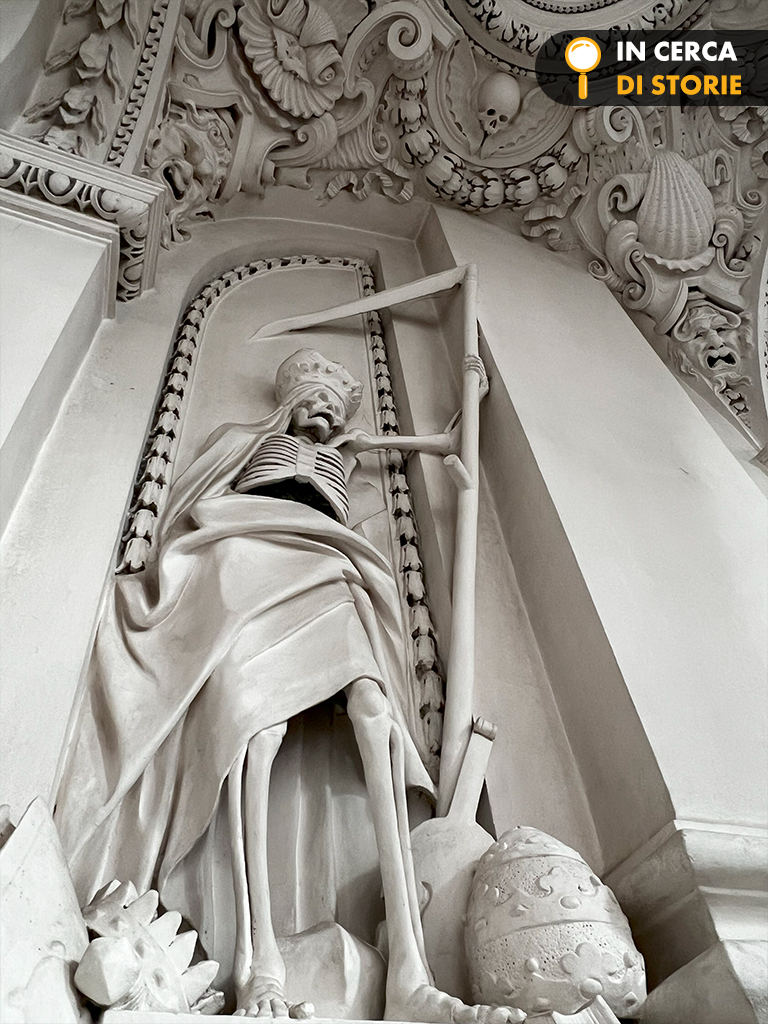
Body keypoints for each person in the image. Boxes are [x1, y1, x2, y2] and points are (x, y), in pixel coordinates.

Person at [55, 348, 521, 1022]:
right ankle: (258, 966)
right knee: (259, 726)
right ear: (290, 402)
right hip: (249, 556)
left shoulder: (348, 456)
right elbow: (193, 499)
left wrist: (462, 410)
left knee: (374, 710)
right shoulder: (243, 441)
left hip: (328, 564)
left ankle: (411, 977)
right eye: (314, 397)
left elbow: (415, 447)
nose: (324, 408)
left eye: (333, 401)